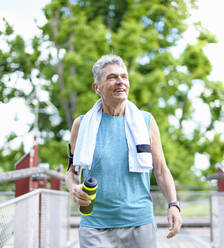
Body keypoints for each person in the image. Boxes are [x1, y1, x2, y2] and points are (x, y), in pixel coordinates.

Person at [66, 54, 182, 248]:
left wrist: (173, 205)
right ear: (97, 88)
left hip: (140, 222)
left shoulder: (146, 122)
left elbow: (161, 170)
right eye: (112, 77)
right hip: (95, 225)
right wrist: (73, 188)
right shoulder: (81, 124)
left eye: (124, 77)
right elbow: (72, 172)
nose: (120, 82)